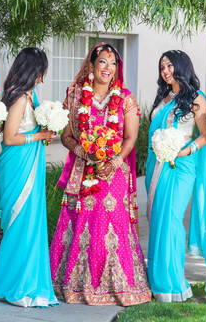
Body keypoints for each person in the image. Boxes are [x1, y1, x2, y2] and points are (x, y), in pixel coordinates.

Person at [49, 43, 152, 306]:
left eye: (113, 63)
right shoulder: (74, 96)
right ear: (91, 66)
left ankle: (116, 286)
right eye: (103, 62)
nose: (108, 68)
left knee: (111, 225)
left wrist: (114, 161)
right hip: (83, 172)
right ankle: (74, 285)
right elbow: (66, 136)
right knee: (83, 222)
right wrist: (86, 153)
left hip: (114, 173)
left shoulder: (125, 98)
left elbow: (131, 137)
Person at [0, 47, 59, 308]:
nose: (44, 76)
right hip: (19, 166)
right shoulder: (19, 99)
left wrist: (46, 129)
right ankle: (14, 285)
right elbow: (9, 138)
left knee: (31, 224)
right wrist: (39, 136)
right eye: (42, 70)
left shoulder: (31, 96)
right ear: (33, 70)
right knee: (20, 224)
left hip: (31, 163)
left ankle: (17, 281)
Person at [145, 50, 206, 302]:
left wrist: (186, 150)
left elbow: (205, 135)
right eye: (162, 66)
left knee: (171, 220)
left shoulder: (196, 98)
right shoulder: (164, 98)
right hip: (156, 164)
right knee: (157, 219)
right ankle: (157, 280)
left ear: (182, 67)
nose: (165, 71)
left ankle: (172, 283)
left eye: (170, 66)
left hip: (181, 166)